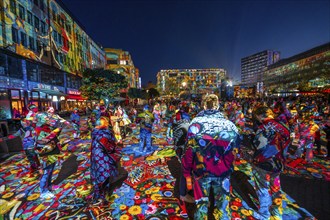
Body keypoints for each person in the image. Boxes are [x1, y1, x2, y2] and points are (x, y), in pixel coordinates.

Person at [181, 94, 240, 219]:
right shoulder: (231, 126)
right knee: (223, 206)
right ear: (218, 105)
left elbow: (189, 152)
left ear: (203, 106)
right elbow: (235, 152)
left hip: (201, 171)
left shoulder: (195, 125)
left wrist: (186, 172)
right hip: (223, 172)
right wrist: (229, 168)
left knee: (201, 205)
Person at [251, 107, 290, 219]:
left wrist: (252, 138)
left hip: (263, 162)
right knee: (276, 187)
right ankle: (277, 212)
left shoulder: (263, 127)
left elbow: (259, 146)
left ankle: (264, 213)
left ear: (259, 115)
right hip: (278, 161)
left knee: (262, 187)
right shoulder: (284, 126)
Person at [90, 116, 124, 204]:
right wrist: (117, 147)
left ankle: (98, 194)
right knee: (104, 175)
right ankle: (102, 196)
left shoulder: (95, 132)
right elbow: (109, 147)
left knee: (98, 175)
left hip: (95, 156)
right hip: (103, 157)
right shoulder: (105, 134)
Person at [21, 104, 40, 174]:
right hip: (29, 141)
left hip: (31, 140)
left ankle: (36, 165)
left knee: (33, 154)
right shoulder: (30, 115)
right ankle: (35, 166)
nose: (37, 109)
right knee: (31, 154)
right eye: (35, 108)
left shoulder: (34, 114)